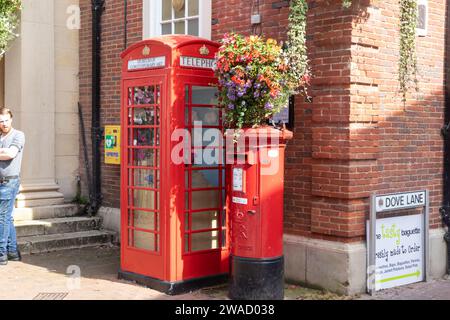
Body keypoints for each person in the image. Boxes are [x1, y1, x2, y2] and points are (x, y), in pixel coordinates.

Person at [0, 108, 25, 265]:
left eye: (6, 120)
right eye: (1, 121)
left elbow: (11, 154)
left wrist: (5, 151)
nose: (4, 124)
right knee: (7, 217)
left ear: (11, 119)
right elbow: (5, 153)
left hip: (10, 182)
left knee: (2, 217)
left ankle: (1, 253)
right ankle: (13, 251)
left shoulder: (18, 135)